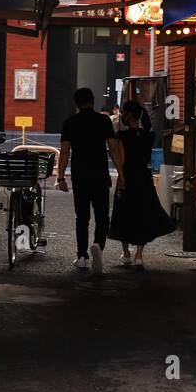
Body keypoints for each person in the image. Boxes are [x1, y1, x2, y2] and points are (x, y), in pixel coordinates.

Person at [56, 86, 124, 273]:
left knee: (82, 217)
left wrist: (60, 177)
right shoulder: (103, 120)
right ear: (93, 100)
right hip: (100, 175)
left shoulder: (70, 122)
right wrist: (121, 173)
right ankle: (98, 247)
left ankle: (82, 256)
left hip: (80, 176)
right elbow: (113, 147)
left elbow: (64, 152)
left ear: (76, 103)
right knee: (102, 216)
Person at [109, 99, 175, 267]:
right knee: (142, 213)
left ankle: (126, 254)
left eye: (124, 111)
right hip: (144, 178)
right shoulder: (149, 136)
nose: (122, 114)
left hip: (128, 177)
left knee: (124, 214)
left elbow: (121, 160)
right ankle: (139, 255)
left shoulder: (122, 136)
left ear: (129, 114)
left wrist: (121, 178)